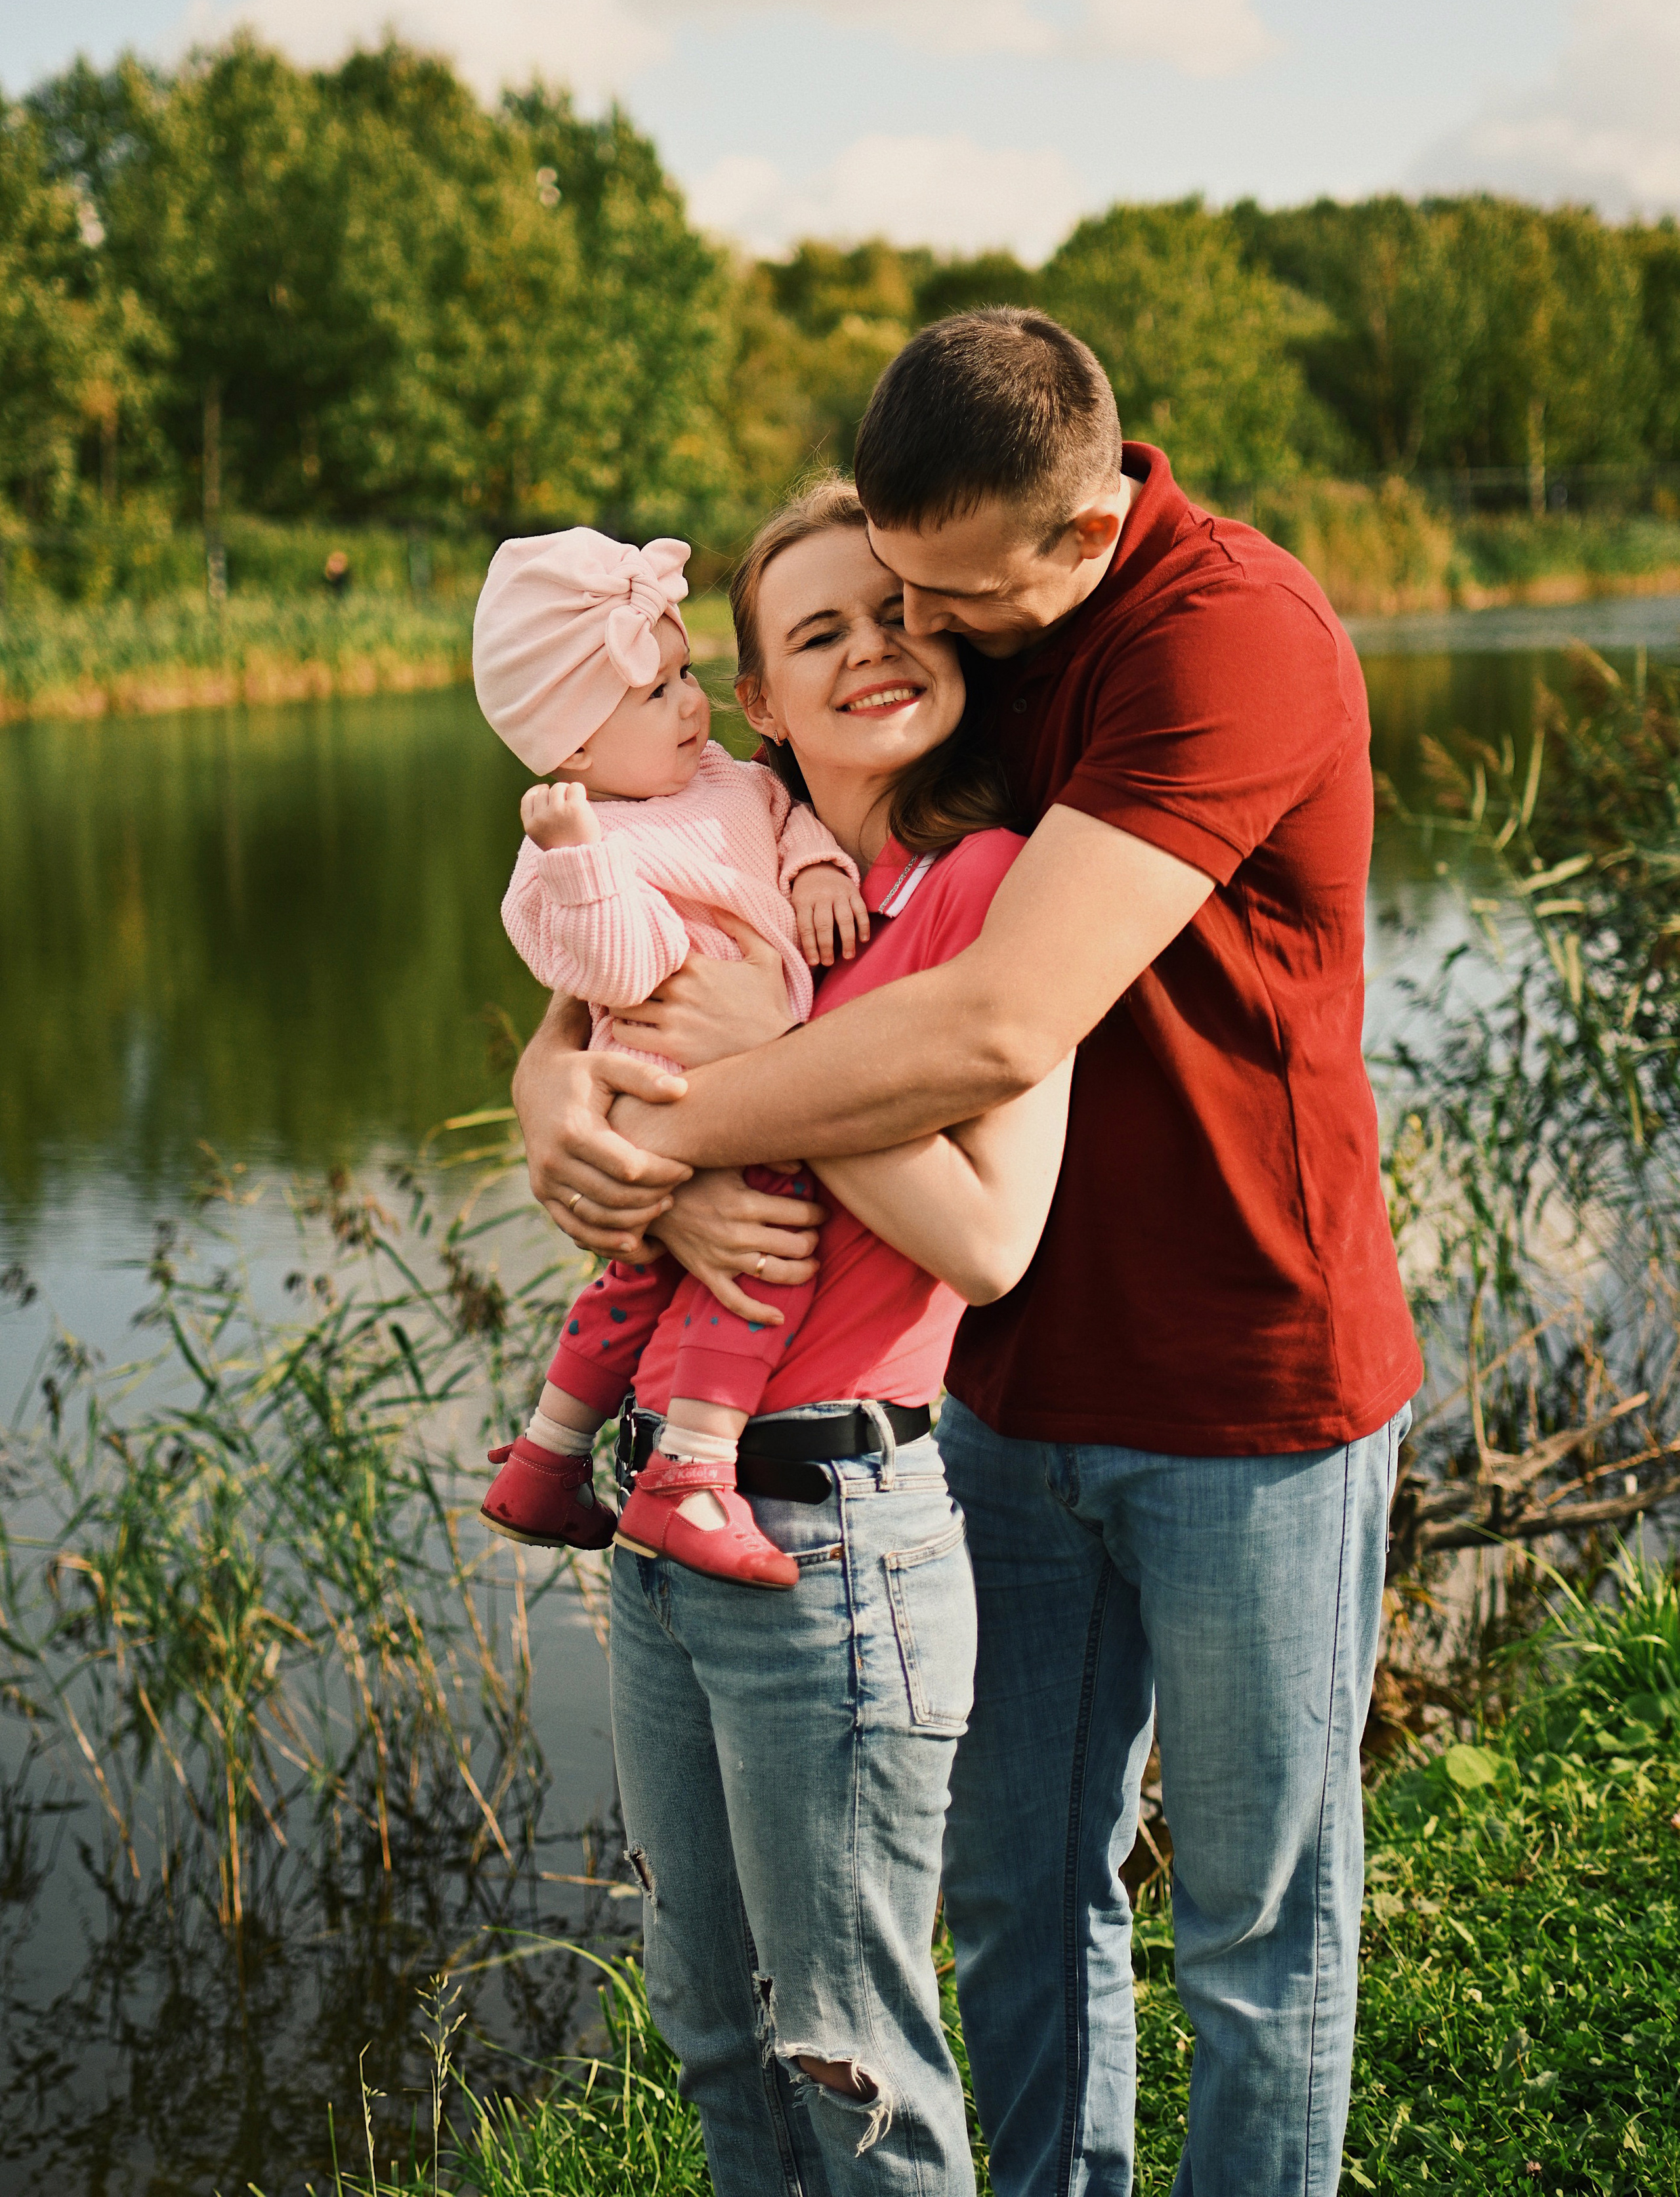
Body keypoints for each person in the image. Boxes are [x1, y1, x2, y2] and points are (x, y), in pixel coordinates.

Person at [513, 314, 1423, 2196]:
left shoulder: (1219, 640)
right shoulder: (945, 654)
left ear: (1077, 541)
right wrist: (557, 1091)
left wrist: (661, 1135)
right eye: (877, 601)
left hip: (1244, 1373)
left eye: (945, 599)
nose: (913, 633)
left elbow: (996, 1025)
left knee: (1257, 1928)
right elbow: (642, 919)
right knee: (1020, 1897)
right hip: (989, 1402)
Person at [605, 479, 1074, 2194]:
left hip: (841, 1542)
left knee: (850, 2059)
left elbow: (990, 1240)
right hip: (664, 1511)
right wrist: (653, 1176)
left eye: (893, 614)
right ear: (761, 708)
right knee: (714, 2026)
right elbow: (575, 1082)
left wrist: (763, 1079)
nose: (875, 651)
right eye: (822, 635)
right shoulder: (717, 870)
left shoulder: (987, 888)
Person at [471, 524, 866, 1584]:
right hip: (684, 1092)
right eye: (656, 695)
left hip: (733, 1083)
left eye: (686, 673)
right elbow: (622, 965)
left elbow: (793, 825)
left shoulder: (731, 781)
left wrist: (823, 872)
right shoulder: (575, 852)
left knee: (636, 1281)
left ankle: (549, 1459)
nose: (694, 704)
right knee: (757, 1263)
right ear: (576, 751)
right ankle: (690, 1471)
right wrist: (580, 864)